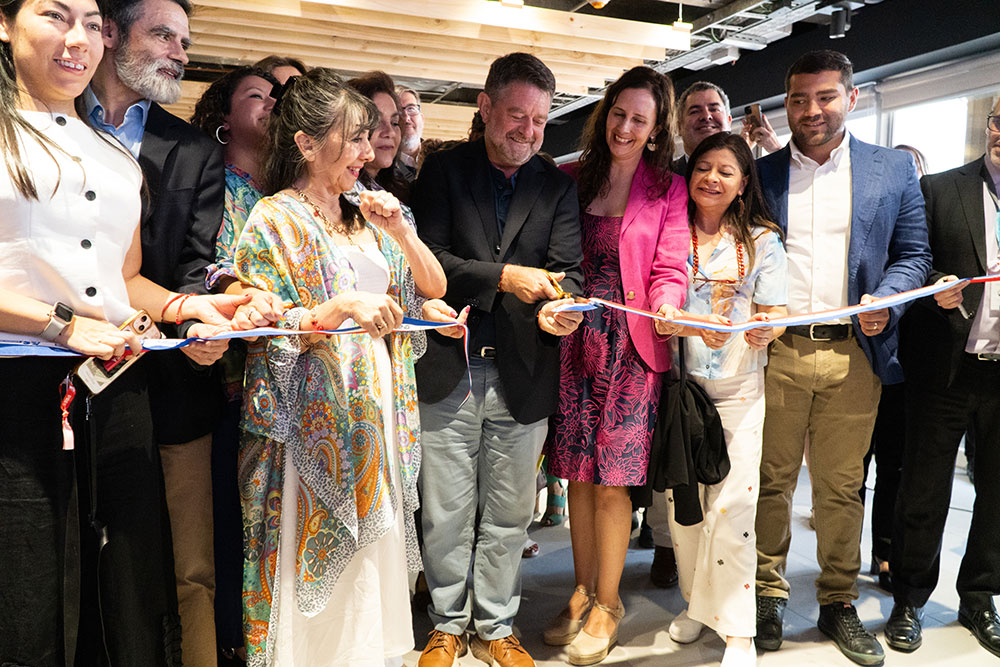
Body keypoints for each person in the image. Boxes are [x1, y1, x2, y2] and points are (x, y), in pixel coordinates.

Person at [0, 1, 244, 663]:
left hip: (114, 385)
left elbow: (125, 279)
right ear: (6, 23)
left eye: (88, 22)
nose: (77, 39)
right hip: (18, 383)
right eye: (56, 17)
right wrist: (60, 324)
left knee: (127, 585)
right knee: (27, 582)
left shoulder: (115, 157)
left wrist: (185, 310)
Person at [234, 68, 446, 667]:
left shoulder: (366, 213)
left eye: (368, 138)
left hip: (375, 411)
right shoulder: (274, 218)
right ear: (305, 143)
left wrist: (400, 230)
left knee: (372, 569)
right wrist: (339, 307)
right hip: (312, 425)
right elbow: (263, 323)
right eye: (353, 138)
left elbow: (430, 287)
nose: (366, 152)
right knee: (318, 566)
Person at [86, 1, 260, 662]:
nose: (180, 53)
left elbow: (195, 262)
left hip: (170, 384)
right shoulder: (48, 125)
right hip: (56, 374)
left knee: (191, 567)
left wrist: (200, 320)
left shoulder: (192, 150)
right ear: (111, 33)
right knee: (87, 558)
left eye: (185, 41)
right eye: (163, 34)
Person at [753, 50, 931, 667]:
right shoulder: (762, 174)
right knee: (770, 482)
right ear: (787, 104)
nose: (811, 110)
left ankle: (837, 599)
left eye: (825, 97)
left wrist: (888, 298)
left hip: (854, 353)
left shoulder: (891, 170)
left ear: (851, 99)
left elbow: (914, 254)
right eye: (799, 99)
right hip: (776, 351)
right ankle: (767, 594)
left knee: (841, 486)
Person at [412, 52, 584, 667]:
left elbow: (569, 273)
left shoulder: (557, 186)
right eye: (517, 115)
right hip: (449, 367)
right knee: (446, 511)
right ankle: (446, 625)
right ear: (485, 108)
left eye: (539, 120)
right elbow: (429, 263)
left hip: (524, 369)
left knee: (511, 513)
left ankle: (496, 626)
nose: (528, 131)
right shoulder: (443, 172)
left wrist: (560, 309)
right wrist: (506, 277)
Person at [543, 65, 689, 665]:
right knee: (576, 475)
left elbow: (671, 266)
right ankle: (581, 591)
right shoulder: (569, 177)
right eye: (619, 114)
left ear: (656, 130)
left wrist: (667, 303)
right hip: (573, 342)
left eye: (639, 120)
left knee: (613, 479)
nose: (625, 128)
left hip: (632, 346)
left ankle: (608, 602)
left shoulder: (668, 188)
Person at [654, 132, 787, 667]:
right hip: (683, 390)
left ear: (743, 183)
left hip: (739, 389)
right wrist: (684, 322)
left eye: (725, 171)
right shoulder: (671, 232)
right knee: (685, 509)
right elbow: (660, 308)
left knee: (733, 508)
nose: (712, 178)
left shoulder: (762, 241)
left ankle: (737, 630)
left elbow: (776, 312)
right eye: (703, 167)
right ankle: (697, 606)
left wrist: (767, 329)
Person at [885, 97, 1000, 659]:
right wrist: (936, 284)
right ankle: (909, 599)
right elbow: (912, 258)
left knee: (998, 495)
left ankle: (979, 597)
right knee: (924, 490)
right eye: (999, 120)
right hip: (945, 368)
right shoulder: (940, 188)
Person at [189, 64, 279, 663]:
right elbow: (208, 266)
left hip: (282, 375)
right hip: (227, 373)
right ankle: (230, 639)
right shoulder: (217, 181)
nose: (270, 103)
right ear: (225, 117)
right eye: (255, 95)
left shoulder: (282, 189)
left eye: (276, 97)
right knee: (229, 514)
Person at [348, 71, 410, 203]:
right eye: (376, 122)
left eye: (394, 123)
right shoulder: (338, 195)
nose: (390, 132)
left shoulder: (405, 190)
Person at [397, 84, 423, 181]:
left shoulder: (441, 158)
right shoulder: (381, 169)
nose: (406, 118)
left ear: (422, 118)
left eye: (411, 109)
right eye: (399, 111)